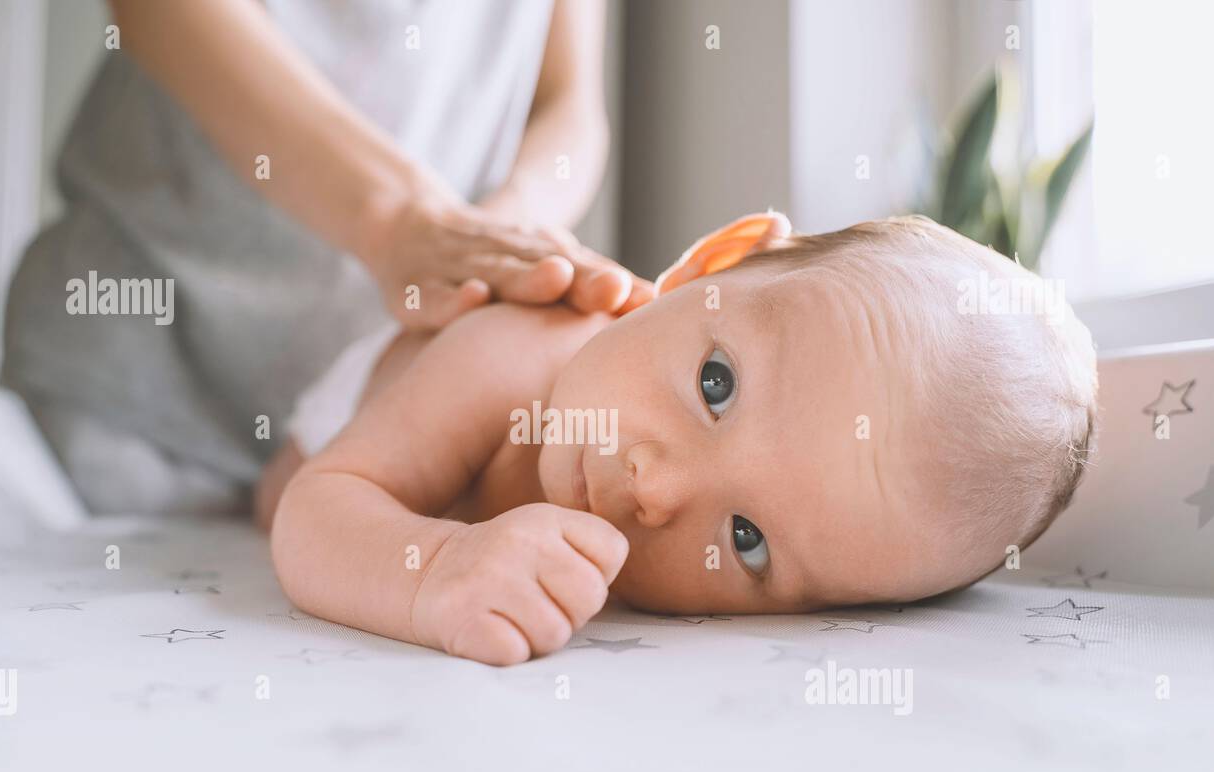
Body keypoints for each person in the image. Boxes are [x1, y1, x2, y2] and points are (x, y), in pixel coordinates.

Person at [264, 212, 1099, 665]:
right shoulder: (515, 350)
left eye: (748, 541)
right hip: (333, 421)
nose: (656, 490)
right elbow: (318, 510)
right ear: (711, 265)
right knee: (267, 497)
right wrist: (438, 570)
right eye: (715, 385)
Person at [1, 0, 644, 515]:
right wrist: (400, 219)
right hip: (125, 404)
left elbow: (570, 103)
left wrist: (507, 231)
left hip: (357, 433)